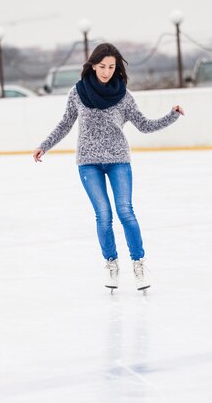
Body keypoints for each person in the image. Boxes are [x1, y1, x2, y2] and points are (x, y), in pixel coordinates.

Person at [32, 43, 184, 292]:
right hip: (88, 163)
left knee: (125, 211)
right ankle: (111, 264)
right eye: (102, 66)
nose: (106, 71)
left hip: (118, 161)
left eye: (111, 67)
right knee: (103, 215)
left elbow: (144, 126)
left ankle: (138, 264)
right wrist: (44, 145)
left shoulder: (123, 95)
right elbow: (65, 124)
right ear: (93, 65)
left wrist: (172, 115)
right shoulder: (77, 92)